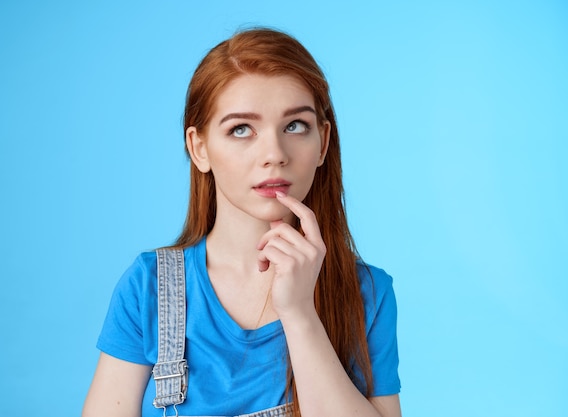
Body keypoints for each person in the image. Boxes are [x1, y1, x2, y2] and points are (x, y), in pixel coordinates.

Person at [82, 28, 401, 417]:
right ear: (199, 148)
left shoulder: (368, 294)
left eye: (295, 125)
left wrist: (300, 313)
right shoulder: (148, 288)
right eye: (241, 129)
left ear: (323, 142)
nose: (274, 154)